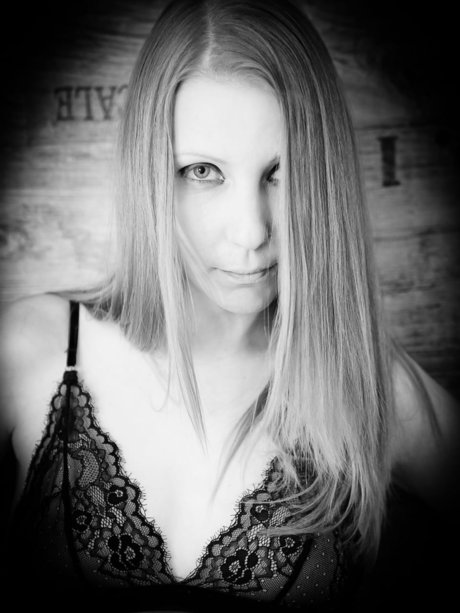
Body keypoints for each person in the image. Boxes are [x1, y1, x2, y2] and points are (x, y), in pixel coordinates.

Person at [0, 0, 458, 611]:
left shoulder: (369, 386)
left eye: (283, 172)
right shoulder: (30, 350)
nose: (251, 233)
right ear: (150, 174)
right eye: (203, 171)